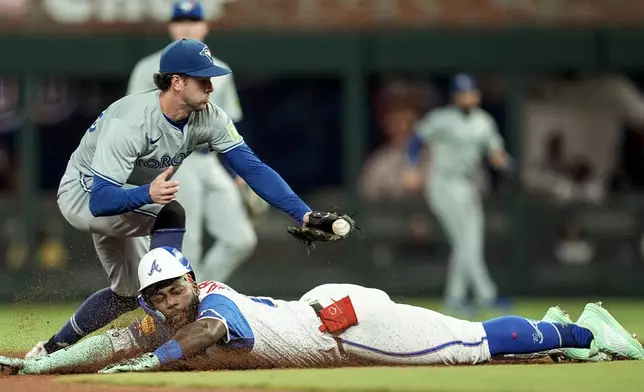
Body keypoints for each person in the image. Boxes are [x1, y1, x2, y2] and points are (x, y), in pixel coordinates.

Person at [25, 37, 351, 360]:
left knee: (125, 295)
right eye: (202, 79)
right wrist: (147, 193)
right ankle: (170, 316)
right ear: (177, 82)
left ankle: (51, 347)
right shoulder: (130, 121)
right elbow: (100, 200)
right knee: (171, 215)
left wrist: (304, 215)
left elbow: (252, 168)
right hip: (83, 194)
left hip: (136, 196)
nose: (211, 87)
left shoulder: (208, 116)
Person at [3, 247, 641, 375]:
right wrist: (47, 364)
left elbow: (206, 332)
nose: (169, 300)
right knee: (466, 337)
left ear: (192, 280)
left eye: (174, 288)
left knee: (469, 343)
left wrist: (148, 368)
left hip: (356, 329)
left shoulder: (210, 306)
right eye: (158, 295)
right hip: (324, 316)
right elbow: (113, 343)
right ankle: (556, 324)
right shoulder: (163, 314)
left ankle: (589, 327)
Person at [127, 0, 261, 282]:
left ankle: (202, 291)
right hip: (173, 162)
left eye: (193, 21)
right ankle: (191, 307)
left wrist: (238, 174)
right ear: (171, 27)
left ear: (205, 27)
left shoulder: (220, 70)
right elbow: (129, 121)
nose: (186, 27)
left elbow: (229, 127)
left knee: (241, 239)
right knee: (191, 244)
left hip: (209, 160)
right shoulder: (148, 68)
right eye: (180, 22)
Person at [405, 74, 513, 314]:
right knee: (465, 241)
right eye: (462, 93)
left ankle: (456, 297)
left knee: (470, 242)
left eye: (471, 92)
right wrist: (411, 167)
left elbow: (496, 153)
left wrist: (504, 163)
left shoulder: (484, 122)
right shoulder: (442, 119)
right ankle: (486, 294)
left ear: (477, 95)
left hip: (468, 185)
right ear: (455, 96)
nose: (467, 97)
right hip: (443, 183)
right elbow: (416, 139)